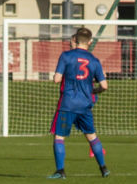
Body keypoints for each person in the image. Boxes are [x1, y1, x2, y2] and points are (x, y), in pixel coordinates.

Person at [49, 27, 110, 179]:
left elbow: (57, 79)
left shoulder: (66, 56)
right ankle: (103, 168)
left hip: (67, 104)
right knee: (92, 136)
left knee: (59, 137)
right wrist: (93, 91)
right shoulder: (95, 61)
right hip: (85, 105)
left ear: (75, 40)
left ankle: (60, 171)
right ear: (90, 42)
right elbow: (104, 86)